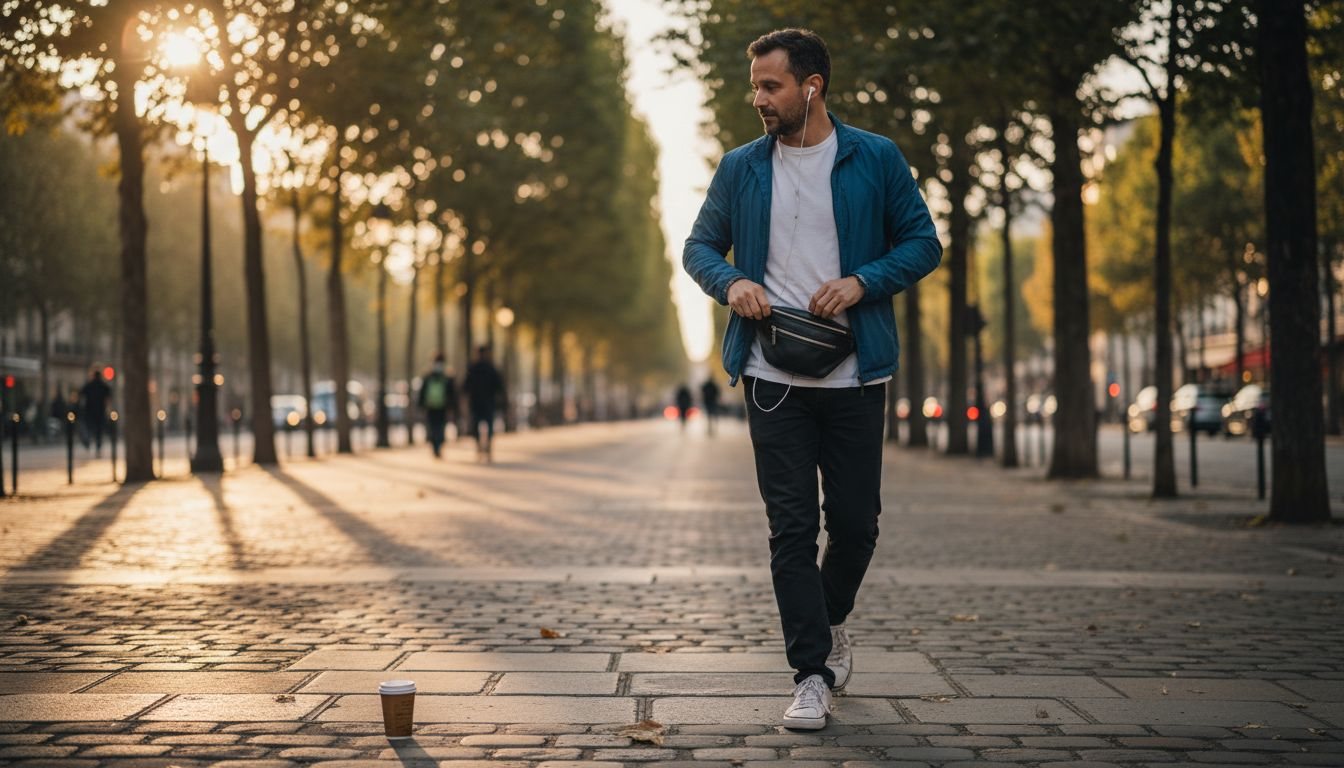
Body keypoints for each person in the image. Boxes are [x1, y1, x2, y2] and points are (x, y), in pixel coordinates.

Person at [682, 29, 941, 730]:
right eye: (754, 86)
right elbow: (698, 246)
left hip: (856, 374)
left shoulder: (875, 157)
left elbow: (923, 243)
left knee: (855, 526)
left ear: (812, 87)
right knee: (790, 529)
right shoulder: (741, 168)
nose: (758, 99)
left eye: (771, 86)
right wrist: (731, 281)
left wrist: (862, 281)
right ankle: (811, 674)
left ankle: (828, 624)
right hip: (772, 376)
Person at [462, 345, 504, 463]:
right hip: (485, 402)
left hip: (478, 403)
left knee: (480, 425)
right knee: (485, 426)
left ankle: (482, 447)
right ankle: (484, 447)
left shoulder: (474, 368)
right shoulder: (490, 368)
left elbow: (465, 387)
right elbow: (499, 387)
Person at [417, 353, 457, 459]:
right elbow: (422, 393)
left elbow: (452, 394)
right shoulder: (437, 377)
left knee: (438, 427)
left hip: (441, 407)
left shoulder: (441, 377)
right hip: (432, 407)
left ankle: (437, 446)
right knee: (434, 427)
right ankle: (436, 446)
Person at [78, 369, 112, 456]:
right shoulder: (103, 386)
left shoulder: (89, 385)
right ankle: (97, 447)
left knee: (90, 428)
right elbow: (109, 397)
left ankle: (89, 443)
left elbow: (81, 394)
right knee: (98, 431)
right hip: (100, 411)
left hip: (90, 411)